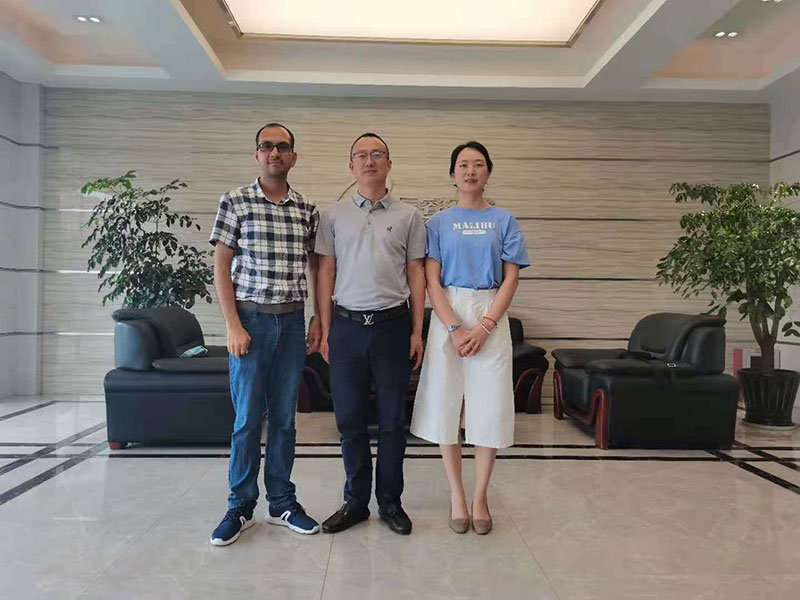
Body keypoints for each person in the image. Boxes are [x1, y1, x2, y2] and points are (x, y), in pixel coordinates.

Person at [208, 122, 322, 546]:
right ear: (257, 154)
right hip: (251, 323)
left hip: (292, 324)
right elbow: (221, 267)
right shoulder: (235, 201)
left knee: (285, 420)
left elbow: (315, 267)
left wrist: (317, 318)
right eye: (267, 146)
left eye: (283, 146)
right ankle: (240, 505)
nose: (275, 152)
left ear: (294, 156)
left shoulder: (306, 208)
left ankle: (282, 502)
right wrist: (233, 325)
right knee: (246, 421)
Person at [410, 141, 530, 535]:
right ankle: (457, 495)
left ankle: (480, 497)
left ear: (488, 172)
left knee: (489, 404)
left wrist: (485, 326)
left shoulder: (504, 220)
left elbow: (511, 277)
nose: (470, 171)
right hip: (449, 312)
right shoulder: (438, 223)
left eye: (478, 164)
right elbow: (431, 279)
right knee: (445, 402)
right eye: (463, 165)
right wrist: (455, 328)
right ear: (452, 173)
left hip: (490, 311)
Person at [315, 133, 426, 535]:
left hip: (393, 327)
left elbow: (416, 273)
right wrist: (325, 327)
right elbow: (325, 271)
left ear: (389, 164)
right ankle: (356, 502)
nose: (369, 161)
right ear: (351, 165)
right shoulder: (332, 216)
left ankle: (391, 502)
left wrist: (417, 330)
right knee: (349, 419)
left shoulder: (410, 216)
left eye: (377, 154)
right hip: (346, 328)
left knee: (393, 421)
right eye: (360, 155)